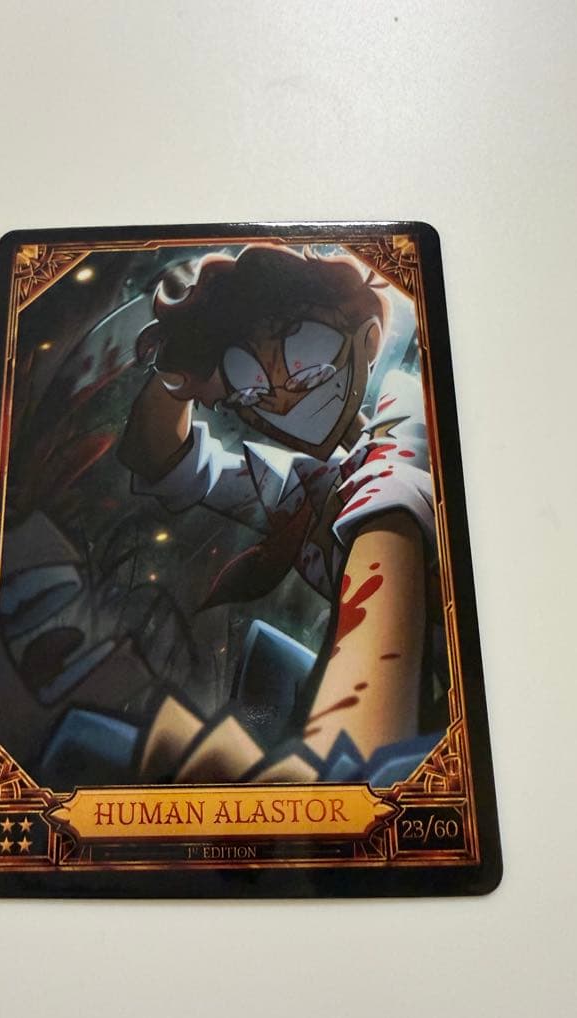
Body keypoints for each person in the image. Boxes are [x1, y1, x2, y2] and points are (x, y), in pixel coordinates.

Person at [118, 244, 441, 784]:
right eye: (253, 392)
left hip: (441, 703)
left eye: (309, 370)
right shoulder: (303, 486)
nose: (286, 402)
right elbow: (163, 462)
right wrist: (181, 370)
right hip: (389, 697)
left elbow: (387, 544)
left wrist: (335, 762)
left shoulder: (406, 414)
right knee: (264, 659)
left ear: (367, 342)